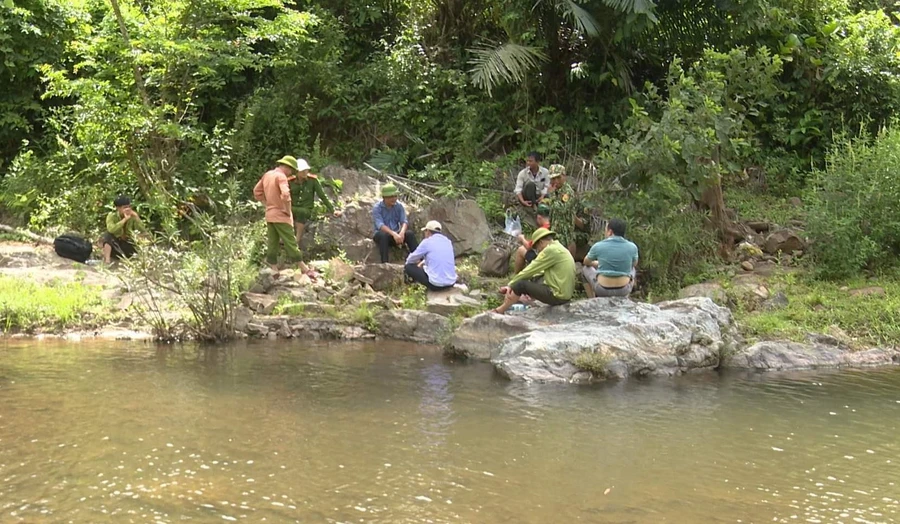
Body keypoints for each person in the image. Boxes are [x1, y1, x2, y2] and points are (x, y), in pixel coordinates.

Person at [253, 155, 314, 276]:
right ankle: (304, 268)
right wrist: (287, 210)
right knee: (290, 241)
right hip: (281, 215)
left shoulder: (268, 174)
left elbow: (256, 191)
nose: (291, 173)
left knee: (273, 242)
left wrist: (267, 204)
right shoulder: (281, 177)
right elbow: (286, 195)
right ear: (287, 167)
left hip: (270, 215)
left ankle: (273, 269)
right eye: (291, 170)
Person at [494, 229, 576, 314]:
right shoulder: (558, 247)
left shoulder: (550, 250)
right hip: (564, 294)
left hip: (558, 295)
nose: (539, 251)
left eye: (537, 248)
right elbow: (539, 272)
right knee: (532, 280)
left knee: (520, 285)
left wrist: (510, 284)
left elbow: (531, 269)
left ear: (540, 242)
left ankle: (500, 310)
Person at [288, 158, 342, 246]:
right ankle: (285, 239)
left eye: (306, 170)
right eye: (303, 171)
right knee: (284, 212)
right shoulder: (290, 182)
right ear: (297, 171)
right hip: (292, 208)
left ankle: (296, 241)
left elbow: (322, 196)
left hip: (305, 209)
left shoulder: (312, 181)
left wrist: (333, 210)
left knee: (302, 213)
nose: (305, 172)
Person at [582, 218, 639, 298]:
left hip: (602, 290)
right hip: (623, 290)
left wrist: (596, 263)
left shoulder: (598, 245)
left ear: (610, 232)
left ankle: (592, 299)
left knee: (585, 269)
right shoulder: (632, 247)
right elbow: (634, 264)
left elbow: (586, 262)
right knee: (632, 269)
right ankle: (625, 299)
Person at [404, 220, 457, 291]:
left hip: (436, 284)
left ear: (428, 232)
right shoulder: (448, 241)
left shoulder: (427, 242)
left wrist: (414, 264)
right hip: (451, 282)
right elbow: (436, 257)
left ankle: (413, 288)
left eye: (425, 231)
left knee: (408, 267)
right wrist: (422, 263)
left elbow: (411, 259)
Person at [372, 184, 419, 263]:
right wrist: (393, 234)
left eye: (395, 196)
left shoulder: (399, 206)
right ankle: (385, 263)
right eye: (391, 197)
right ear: (384, 198)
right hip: (382, 234)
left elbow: (404, 221)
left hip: (396, 235)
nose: (394, 199)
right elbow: (380, 225)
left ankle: (418, 260)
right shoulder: (377, 208)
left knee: (409, 234)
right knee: (383, 236)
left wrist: (402, 233)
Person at [545, 164, 581, 257]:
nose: (556, 181)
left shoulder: (567, 192)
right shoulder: (556, 190)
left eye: (558, 178)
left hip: (565, 229)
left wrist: (552, 195)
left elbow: (562, 208)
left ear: (564, 176)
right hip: (555, 227)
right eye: (553, 178)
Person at [101, 195, 147, 264]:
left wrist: (137, 218)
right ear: (118, 208)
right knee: (107, 235)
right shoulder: (111, 216)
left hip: (128, 244)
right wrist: (124, 220)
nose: (128, 209)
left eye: (129, 207)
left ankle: (141, 260)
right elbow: (111, 229)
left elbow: (142, 230)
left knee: (145, 235)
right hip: (116, 244)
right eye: (125, 207)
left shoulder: (132, 216)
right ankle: (107, 260)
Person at [513, 204, 551, 273]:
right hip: (551, 257)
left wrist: (522, 238)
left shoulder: (542, 230)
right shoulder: (552, 226)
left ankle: (516, 277)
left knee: (521, 250)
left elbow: (528, 247)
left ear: (539, 217)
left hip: (542, 260)